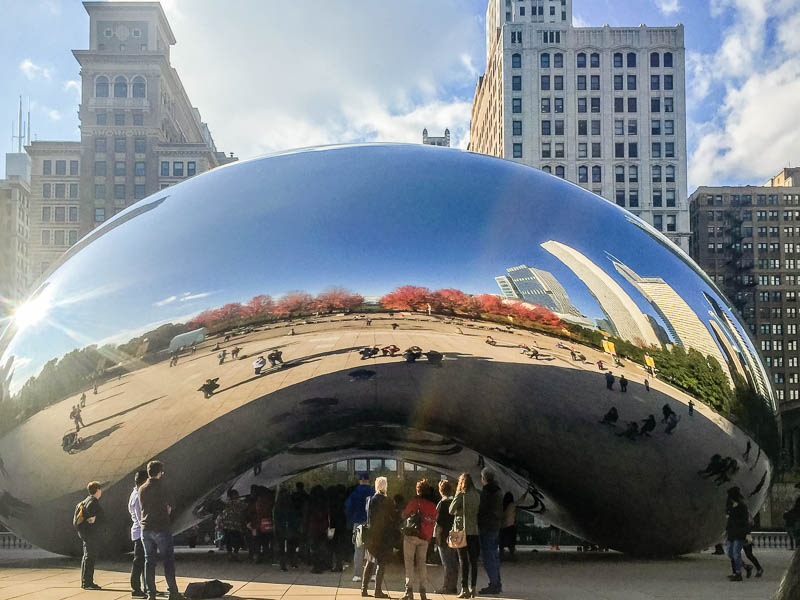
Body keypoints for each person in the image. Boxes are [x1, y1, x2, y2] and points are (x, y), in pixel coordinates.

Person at [138, 460, 184, 600]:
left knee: (149, 562)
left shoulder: (141, 488)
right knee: (168, 561)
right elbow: (172, 504)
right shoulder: (163, 487)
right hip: (161, 527)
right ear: (160, 472)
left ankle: (150, 594)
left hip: (146, 529)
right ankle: (173, 592)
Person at [400, 479, 437, 600]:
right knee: (422, 564)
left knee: (409, 563)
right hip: (425, 538)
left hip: (411, 536)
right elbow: (434, 521)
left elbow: (404, 515)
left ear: (418, 490)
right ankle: (423, 593)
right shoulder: (432, 506)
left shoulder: (414, 502)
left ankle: (408, 592)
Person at [362, 477, 396, 598]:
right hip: (384, 536)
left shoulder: (370, 500)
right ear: (385, 486)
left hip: (372, 536)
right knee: (381, 564)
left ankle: (364, 589)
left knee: (369, 561)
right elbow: (393, 518)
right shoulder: (388, 501)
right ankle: (377, 590)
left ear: (376, 486)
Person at [449, 473, 480, 599]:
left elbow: (451, 510)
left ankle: (464, 588)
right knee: (474, 561)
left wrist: (459, 511)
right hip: (474, 531)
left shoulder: (460, 494)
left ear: (461, 483)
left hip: (461, 531)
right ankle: (473, 588)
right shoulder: (477, 494)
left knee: (463, 561)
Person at [477, 467, 503, 595]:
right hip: (495, 526)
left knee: (488, 557)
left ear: (484, 478)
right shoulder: (498, 491)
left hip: (487, 527)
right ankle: (497, 583)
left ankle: (493, 584)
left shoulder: (487, 492)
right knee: (494, 556)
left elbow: (482, 510)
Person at [74, 480, 104, 591]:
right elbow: (102, 517)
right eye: (100, 490)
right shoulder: (93, 502)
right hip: (91, 534)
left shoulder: (84, 502)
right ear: (97, 490)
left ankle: (85, 581)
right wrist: (96, 518)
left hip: (85, 534)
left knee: (86, 557)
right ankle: (88, 582)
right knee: (90, 558)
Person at [345, 473, 374, 582]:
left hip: (358, 524)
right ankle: (372, 575)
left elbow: (348, 508)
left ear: (359, 481)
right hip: (371, 524)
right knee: (372, 550)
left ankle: (357, 575)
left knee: (358, 549)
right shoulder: (373, 493)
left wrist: (352, 519)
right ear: (368, 481)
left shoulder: (354, 494)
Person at [128, 470, 150, 598]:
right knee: (139, 562)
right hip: (141, 532)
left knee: (142, 561)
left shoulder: (134, 494)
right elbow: (141, 516)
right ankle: (136, 589)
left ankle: (146, 586)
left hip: (139, 531)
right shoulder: (137, 496)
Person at [434, 480, 458, 594]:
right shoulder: (454, 502)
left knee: (446, 563)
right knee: (453, 561)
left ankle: (446, 586)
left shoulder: (442, 503)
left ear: (441, 490)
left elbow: (438, 522)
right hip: (454, 535)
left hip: (443, 535)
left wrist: (436, 539)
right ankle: (453, 585)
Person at [725, 486, 749, 582]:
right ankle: (745, 566)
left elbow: (744, 520)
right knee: (730, 553)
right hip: (732, 532)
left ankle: (738, 573)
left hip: (739, 532)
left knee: (735, 553)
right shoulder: (733, 505)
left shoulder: (741, 506)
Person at [273, 485, 299, 571]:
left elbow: (275, 518)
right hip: (289, 528)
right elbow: (294, 517)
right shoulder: (291, 504)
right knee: (291, 546)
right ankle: (292, 562)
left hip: (281, 528)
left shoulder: (277, 506)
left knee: (281, 547)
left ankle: (283, 564)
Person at [306, 485, 330, 573]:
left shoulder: (311, 502)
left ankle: (316, 565)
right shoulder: (325, 502)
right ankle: (323, 563)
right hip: (323, 526)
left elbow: (307, 514)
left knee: (314, 547)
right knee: (322, 546)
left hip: (313, 526)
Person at [221, 488, 246, 561]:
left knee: (232, 540)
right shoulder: (236, 503)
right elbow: (244, 506)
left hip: (232, 525)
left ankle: (232, 553)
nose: (237, 496)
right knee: (233, 540)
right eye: (235, 495)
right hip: (233, 526)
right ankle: (233, 553)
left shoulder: (228, 503)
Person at [499, 492, 517, 561]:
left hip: (502, 528)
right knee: (511, 544)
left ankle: (501, 557)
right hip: (511, 527)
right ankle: (512, 557)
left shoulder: (501, 505)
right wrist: (526, 492)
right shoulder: (512, 505)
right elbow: (521, 500)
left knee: (501, 544)